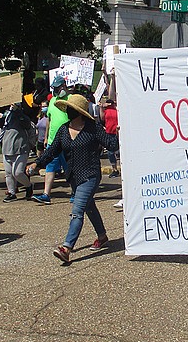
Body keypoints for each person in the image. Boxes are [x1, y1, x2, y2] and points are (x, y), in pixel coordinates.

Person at [27, 94, 119, 264]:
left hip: (90, 175)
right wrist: (36, 164)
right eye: (67, 108)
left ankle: (66, 248)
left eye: (71, 109)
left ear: (79, 112)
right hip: (74, 177)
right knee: (89, 206)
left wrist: (118, 133)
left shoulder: (93, 127)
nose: (68, 111)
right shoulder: (63, 130)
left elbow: (111, 144)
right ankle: (102, 235)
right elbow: (51, 151)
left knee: (77, 211)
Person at [31, 75, 69, 204]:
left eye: (58, 88)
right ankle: (46, 194)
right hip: (53, 141)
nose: (56, 91)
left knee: (69, 168)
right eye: (54, 88)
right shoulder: (52, 101)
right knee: (50, 167)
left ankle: (76, 192)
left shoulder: (71, 100)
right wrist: (47, 137)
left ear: (64, 86)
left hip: (68, 140)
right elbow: (49, 120)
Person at [0, 102, 36, 202]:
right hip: (7, 148)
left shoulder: (23, 117)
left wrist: (18, 111)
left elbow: (26, 124)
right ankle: (11, 192)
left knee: (17, 172)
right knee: (8, 173)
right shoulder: (6, 115)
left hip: (21, 148)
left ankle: (28, 186)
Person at [100, 98, 120, 177]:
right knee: (110, 152)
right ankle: (115, 169)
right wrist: (101, 107)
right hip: (110, 133)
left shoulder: (117, 110)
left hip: (117, 132)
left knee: (116, 152)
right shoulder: (106, 111)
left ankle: (116, 169)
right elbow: (102, 118)